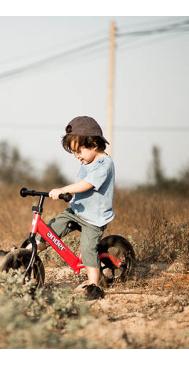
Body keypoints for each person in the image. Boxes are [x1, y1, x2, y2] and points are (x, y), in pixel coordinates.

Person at [35, 116, 115, 300]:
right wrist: (69, 194)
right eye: (74, 152)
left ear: (94, 144)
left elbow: (87, 184)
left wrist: (64, 189)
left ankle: (94, 285)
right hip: (77, 211)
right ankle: (24, 254)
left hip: (94, 218)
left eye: (79, 151)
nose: (77, 156)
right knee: (50, 229)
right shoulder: (86, 161)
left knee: (87, 248)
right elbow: (80, 185)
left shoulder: (104, 164)